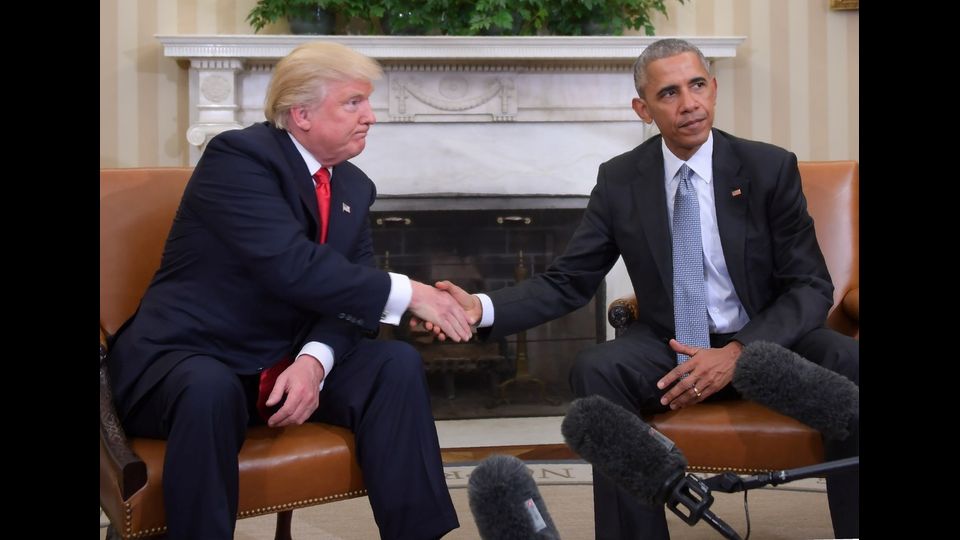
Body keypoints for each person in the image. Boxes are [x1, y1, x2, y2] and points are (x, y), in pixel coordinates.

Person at [428, 38, 859, 539]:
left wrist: (741, 351)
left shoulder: (767, 167)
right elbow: (570, 280)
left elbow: (809, 285)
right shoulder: (621, 181)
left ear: (714, 90)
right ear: (644, 109)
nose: (689, 104)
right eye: (669, 93)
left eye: (697, 85)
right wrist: (481, 309)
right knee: (596, 369)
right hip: (671, 345)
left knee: (848, 362)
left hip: (768, 341)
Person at [106, 42, 468, 539]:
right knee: (207, 390)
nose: (371, 116)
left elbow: (350, 297)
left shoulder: (353, 186)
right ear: (300, 114)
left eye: (367, 102)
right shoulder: (239, 157)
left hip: (280, 361)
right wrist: (411, 293)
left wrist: (313, 362)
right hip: (190, 355)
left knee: (394, 365)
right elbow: (290, 265)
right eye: (353, 103)